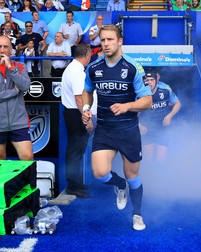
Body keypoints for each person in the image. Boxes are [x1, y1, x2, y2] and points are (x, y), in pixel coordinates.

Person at [82, 25, 152, 231]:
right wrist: (86, 108)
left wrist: (127, 106)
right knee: (100, 172)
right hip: (104, 128)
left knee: (133, 176)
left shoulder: (133, 67)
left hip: (129, 130)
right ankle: (119, 185)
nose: (106, 44)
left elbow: (147, 101)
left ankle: (137, 214)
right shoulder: (93, 67)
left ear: (120, 41)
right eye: (103, 40)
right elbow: (87, 91)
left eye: (110, 40)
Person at [0, 35, 33, 164]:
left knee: (27, 158)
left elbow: (25, 86)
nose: (2, 50)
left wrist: (10, 68)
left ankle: (27, 185)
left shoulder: (19, 67)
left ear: (11, 50)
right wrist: (13, 92)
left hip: (18, 121)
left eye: (5, 47)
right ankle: (2, 185)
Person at [61, 43, 92, 199]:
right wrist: (87, 119)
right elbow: (79, 98)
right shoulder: (77, 72)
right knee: (75, 151)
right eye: (90, 54)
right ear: (86, 54)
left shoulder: (72, 68)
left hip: (73, 113)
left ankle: (76, 183)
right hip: (76, 114)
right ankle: (73, 186)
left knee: (76, 151)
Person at [139, 69, 181, 164]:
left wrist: (170, 115)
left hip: (163, 128)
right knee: (148, 159)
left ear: (156, 80)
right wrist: (139, 125)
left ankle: (161, 176)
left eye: (152, 80)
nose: (149, 82)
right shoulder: (139, 92)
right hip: (147, 129)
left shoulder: (165, 89)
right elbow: (132, 111)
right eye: (147, 80)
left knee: (161, 160)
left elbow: (178, 103)